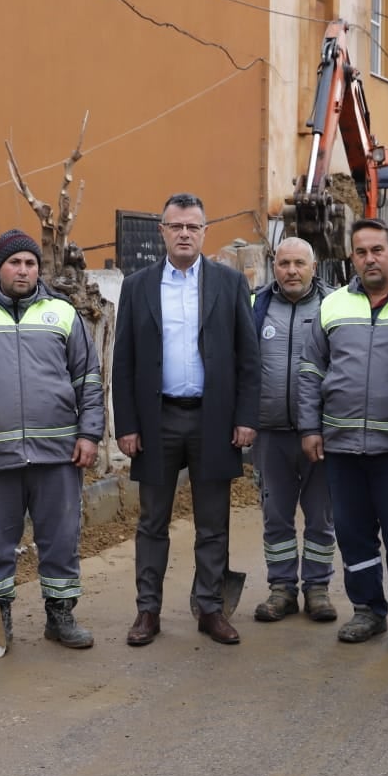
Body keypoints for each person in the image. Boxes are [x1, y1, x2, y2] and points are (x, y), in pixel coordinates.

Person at [0, 229, 104, 649]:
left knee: (60, 537)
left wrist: (90, 434)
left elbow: (89, 379)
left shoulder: (62, 313)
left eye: (30, 263)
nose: (24, 269)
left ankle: (60, 616)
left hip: (58, 453)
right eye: (15, 262)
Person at [113, 193, 260, 646]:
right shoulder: (137, 286)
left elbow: (248, 358)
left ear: (204, 232)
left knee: (212, 522)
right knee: (152, 521)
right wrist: (128, 425)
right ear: (162, 231)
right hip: (158, 421)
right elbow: (124, 361)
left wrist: (245, 417)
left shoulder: (228, 284)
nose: (183, 234)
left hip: (212, 420)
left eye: (192, 227)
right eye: (175, 226)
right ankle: (147, 611)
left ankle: (210, 608)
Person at [297, 218, 388, 648]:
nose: (370, 258)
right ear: (351, 257)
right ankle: (367, 610)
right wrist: (309, 428)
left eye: (378, 250)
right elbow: (310, 370)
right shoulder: (334, 305)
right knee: (353, 533)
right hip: (340, 446)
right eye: (361, 252)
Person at [249, 237, 337, 623]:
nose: (291, 271)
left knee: (320, 515)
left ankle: (317, 588)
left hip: (320, 433)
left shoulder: (334, 305)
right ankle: (281, 588)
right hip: (270, 432)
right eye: (284, 263)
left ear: (314, 267)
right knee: (276, 515)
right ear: (274, 265)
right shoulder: (257, 306)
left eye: (299, 263)